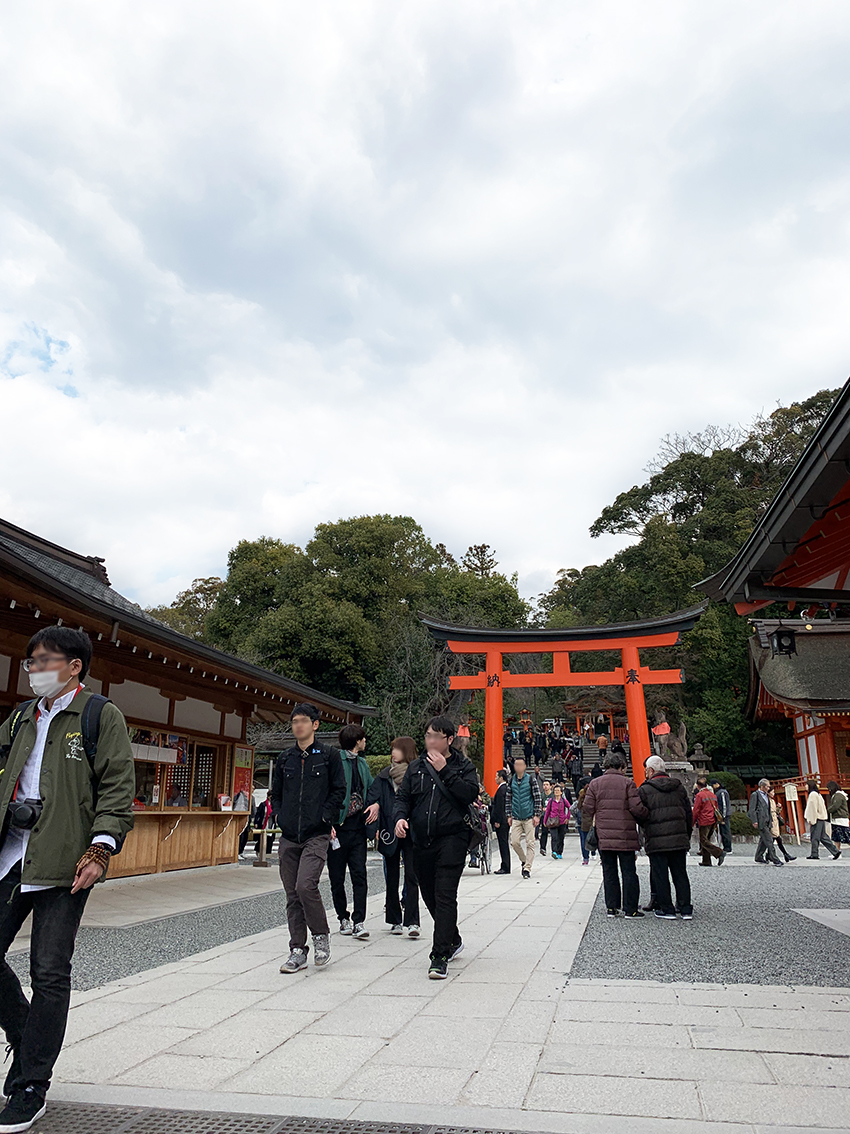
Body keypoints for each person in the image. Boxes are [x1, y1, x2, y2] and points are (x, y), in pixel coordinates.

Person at [0, 627, 135, 1132]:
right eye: (30, 662)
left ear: (73, 665)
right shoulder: (19, 717)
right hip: (12, 855)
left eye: (44, 660)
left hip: (64, 861)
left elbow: (119, 785)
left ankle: (30, 1085)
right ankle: (24, 1028)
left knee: (49, 971)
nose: (34, 669)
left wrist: (100, 849)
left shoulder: (100, 716)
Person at [394, 717, 479, 980]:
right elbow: (404, 797)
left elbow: (468, 794)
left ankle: (439, 955)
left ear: (449, 740)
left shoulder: (463, 766)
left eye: (436, 737)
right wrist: (399, 817)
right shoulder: (416, 767)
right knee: (429, 895)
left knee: (444, 895)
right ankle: (452, 938)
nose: (430, 741)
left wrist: (445, 771)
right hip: (421, 839)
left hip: (452, 838)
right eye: (427, 735)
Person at [271, 703, 346, 973]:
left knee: (306, 885)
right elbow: (275, 793)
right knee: (292, 893)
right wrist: (279, 815)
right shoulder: (285, 759)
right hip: (290, 834)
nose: (298, 725)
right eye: (294, 721)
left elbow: (339, 790)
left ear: (315, 725)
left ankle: (321, 936)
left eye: (303, 721)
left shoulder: (329, 756)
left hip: (317, 833)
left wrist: (327, 817)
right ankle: (297, 949)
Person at [327, 724, 379, 940]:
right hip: (337, 828)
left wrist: (375, 804)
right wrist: (327, 821)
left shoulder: (363, 764)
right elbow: (326, 792)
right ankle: (342, 917)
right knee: (336, 877)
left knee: (360, 874)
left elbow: (372, 789)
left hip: (358, 828)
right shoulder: (334, 760)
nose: (365, 742)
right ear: (357, 741)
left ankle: (359, 920)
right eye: (363, 739)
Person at [581, 751, 648, 917]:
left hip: (604, 833)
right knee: (628, 871)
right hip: (625, 834)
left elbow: (587, 808)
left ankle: (612, 907)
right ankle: (630, 908)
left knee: (609, 871)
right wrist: (646, 815)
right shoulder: (628, 783)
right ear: (621, 766)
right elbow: (635, 808)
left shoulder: (595, 784)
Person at [365, 736, 420, 936]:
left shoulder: (416, 773)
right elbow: (373, 798)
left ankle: (413, 920)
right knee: (391, 877)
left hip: (412, 829)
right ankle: (394, 918)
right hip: (389, 828)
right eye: (393, 749)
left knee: (412, 876)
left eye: (397, 749)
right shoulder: (383, 776)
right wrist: (377, 808)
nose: (393, 753)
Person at [638, 755, 693, 920]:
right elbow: (688, 813)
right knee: (680, 873)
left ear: (651, 770)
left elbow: (641, 814)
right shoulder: (679, 787)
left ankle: (666, 908)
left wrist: (645, 830)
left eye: (646, 770)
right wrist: (686, 834)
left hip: (656, 839)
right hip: (678, 838)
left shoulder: (645, 789)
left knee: (660, 874)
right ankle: (685, 908)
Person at [506, 757, 542, 879]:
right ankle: (524, 860)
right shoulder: (511, 780)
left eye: (521, 764)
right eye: (516, 765)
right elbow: (508, 799)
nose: (518, 767)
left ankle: (527, 868)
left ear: (525, 766)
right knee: (514, 842)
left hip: (529, 816)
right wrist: (509, 815)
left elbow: (537, 797)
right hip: (516, 816)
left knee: (530, 843)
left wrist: (537, 814)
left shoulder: (531, 779)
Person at [747, 778, 783, 866]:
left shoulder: (767, 795)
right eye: (767, 786)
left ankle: (758, 856)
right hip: (760, 820)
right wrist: (754, 821)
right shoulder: (755, 795)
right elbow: (752, 809)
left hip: (768, 820)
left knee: (763, 840)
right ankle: (775, 859)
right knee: (769, 840)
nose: (768, 788)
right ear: (762, 786)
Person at [804, 781, 841, 860]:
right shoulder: (818, 794)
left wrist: (811, 819)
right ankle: (835, 851)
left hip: (816, 818)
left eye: (806, 785)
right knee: (823, 837)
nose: (805, 786)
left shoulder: (812, 795)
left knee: (815, 837)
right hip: (821, 817)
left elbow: (812, 808)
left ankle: (814, 854)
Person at [692, 778, 725, 867]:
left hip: (704, 819)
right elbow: (716, 807)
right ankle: (706, 860)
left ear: (698, 786)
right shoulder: (712, 795)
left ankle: (719, 853)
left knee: (703, 840)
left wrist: (692, 822)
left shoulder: (699, 795)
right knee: (707, 839)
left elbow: (696, 810)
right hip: (712, 820)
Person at [490, 768, 511, 874]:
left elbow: (499, 807)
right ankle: (505, 864)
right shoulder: (505, 789)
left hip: (501, 820)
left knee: (503, 843)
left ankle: (505, 866)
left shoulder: (502, 790)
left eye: (496, 776)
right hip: (504, 820)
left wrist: (497, 820)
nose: (495, 778)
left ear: (501, 778)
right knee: (504, 843)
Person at [767, 787, 795, 862]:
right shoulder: (767, 801)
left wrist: (778, 808)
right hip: (771, 821)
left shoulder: (772, 801)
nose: (773, 794)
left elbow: (775, 812)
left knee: (775, 839)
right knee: (777, 838)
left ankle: (769, 855)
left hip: (774, 820)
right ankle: (785, 854)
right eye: (772, 792)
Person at [542, 785, 570, 859]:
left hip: (562, 822)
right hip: (553, 821)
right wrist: (545, 821)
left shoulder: (564, 800)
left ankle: (559, 852)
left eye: (558, 790)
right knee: (554, 837)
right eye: (555, 790)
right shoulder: (551, 801)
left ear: (561, 792)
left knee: (561, 837)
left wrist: (567, 818)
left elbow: (570, 808)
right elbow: (547, 811)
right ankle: (554, 851)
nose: (556, 792)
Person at [575, 777, 596, 865]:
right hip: (594, 822)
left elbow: (576, 808)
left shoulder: (581, 799)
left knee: (584, 841)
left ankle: (585, 858)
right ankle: (597, 855)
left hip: (584, 823)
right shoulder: (595, 799)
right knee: (596, 840)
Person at [710, 778, 733, 855]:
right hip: (721, 815)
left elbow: (724, 805)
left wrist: (723, 816)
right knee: (722, 831)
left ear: (717, 784)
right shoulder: (719, 792)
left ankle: (728, 847)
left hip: (724, 815)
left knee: (725, 831)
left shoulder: (722, 792)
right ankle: (725, 846)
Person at [251, 791, 276, 857]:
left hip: (271, 823)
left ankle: (267, 853)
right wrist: (256, 822)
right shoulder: (263, 804)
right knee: (261, 837)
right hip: (263, 822)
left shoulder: (274, 805)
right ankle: (258, 850)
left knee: (270, 838)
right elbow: (258, 814)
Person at [827, 781, 850, 847]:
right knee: (836, 838)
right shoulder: (839, 795)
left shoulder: (838, 795)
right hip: (837, 819)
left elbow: (835, 806)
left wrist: (827, 811)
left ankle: (837, 852)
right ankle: (837, 852)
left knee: (846, 837)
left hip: (840, 819)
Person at [537, 780, 553, 856]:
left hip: (552, 815)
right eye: (544, 785)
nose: (545, 786)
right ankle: (542, 848)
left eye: (547, 784)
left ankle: (555, 849)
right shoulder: (542, 795)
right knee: (544, 832)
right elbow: (540, 804)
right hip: (544, 815)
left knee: (554, 833)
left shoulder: (553, 795)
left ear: (550, 786)